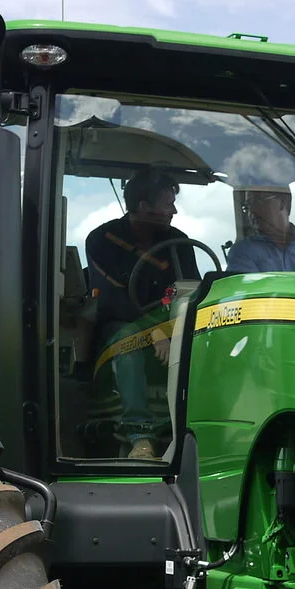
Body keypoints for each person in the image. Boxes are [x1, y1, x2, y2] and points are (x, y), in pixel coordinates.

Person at [84, 168, 200, 460]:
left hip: (171, 323)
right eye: (167, 204)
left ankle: (202, 425)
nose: (174, 210)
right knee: (128, 340)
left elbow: (190, 290)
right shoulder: (102, 239)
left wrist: (172, 329)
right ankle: (141, 436)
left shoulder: (179, 241)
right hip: (118, 327)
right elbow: (114, 300)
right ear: (144, 207)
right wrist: (155, 333)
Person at [227, 186, 295, 273]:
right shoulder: (242, 252)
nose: (252, 212)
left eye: (257, 201)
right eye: (248, 206)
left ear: (284, 203)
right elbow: (247, 297)